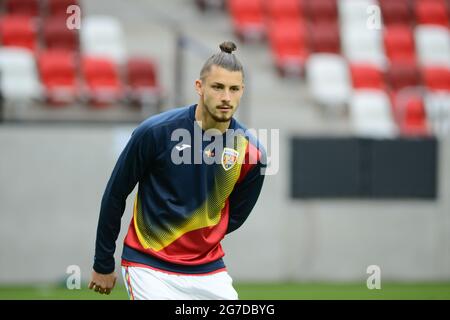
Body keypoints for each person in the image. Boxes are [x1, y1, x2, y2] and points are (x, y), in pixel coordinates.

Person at [89, 41, 266, 300]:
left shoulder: (253, 154)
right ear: (199, 87)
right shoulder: (154, 133)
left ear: (242, 91)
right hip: (148, 266)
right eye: (217, 87)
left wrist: (196, 231)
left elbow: (234, 216)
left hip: (208, 270)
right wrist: (103, 263)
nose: (226, 97)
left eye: (234, 89)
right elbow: (115, 194)